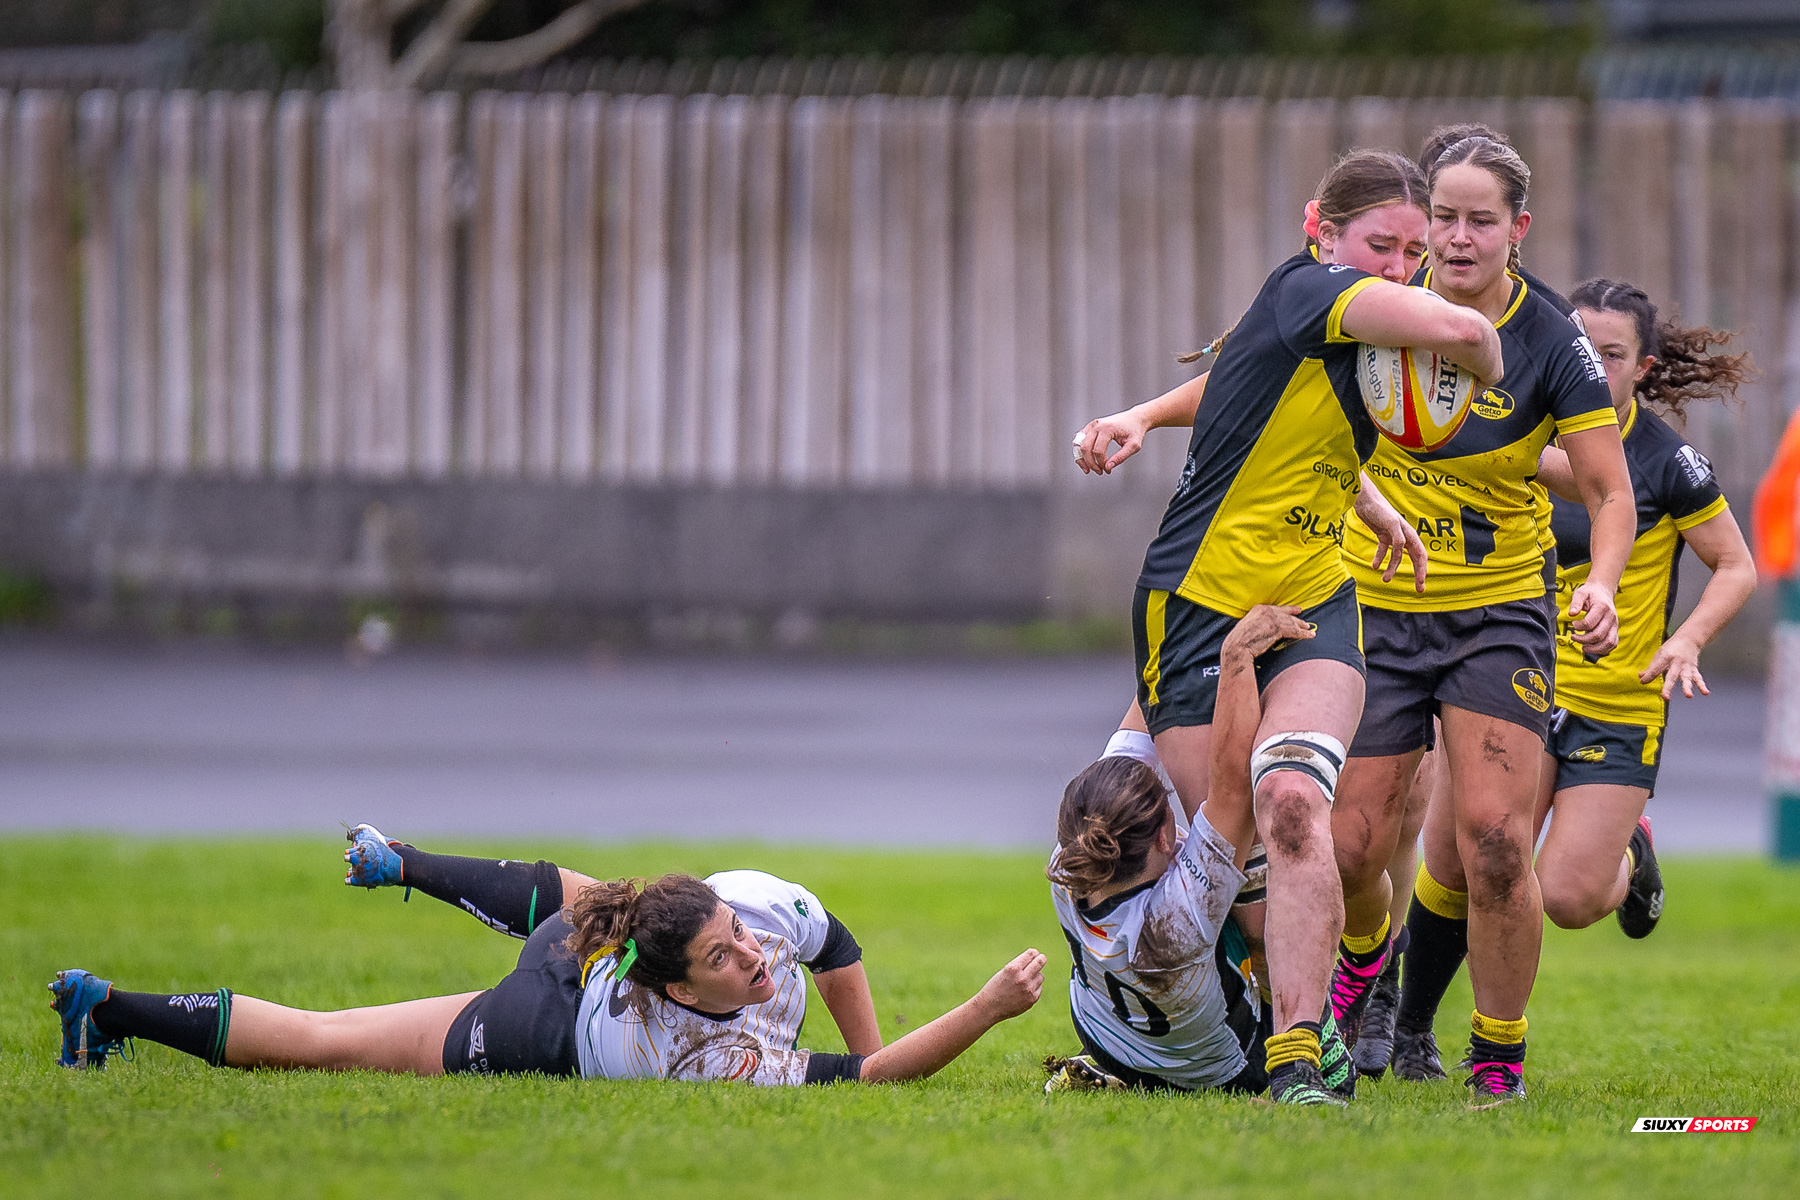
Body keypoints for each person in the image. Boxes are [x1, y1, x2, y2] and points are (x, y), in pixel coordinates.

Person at [1086, 147, 1505, 1104]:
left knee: (1291, 805)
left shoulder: (1333, 322)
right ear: (1321, 227)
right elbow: (1454, 326)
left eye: (1412, 250)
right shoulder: (1319, 289)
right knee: (1232, 853)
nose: (1399, 266)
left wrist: (1369, 504)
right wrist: (1474, 341)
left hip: (1316, 597)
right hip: (1195, 608)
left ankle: (1299, 1060)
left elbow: (1244, 390)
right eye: (1381, 245)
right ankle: (1250, 1022)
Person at [1327, 126, 1636, 1104]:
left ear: (1519, 228)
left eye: (1481, 220)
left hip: (1499, 610)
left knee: (1495, 838)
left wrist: (1599, 584)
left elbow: (1611, 492)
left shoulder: (1552, 340)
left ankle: (1497, 1055)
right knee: (1349, 844)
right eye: (1445, 218)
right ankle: (1365, 963)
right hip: (1374, 602)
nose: (1457, 238)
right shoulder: (1377, 309)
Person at [1395, 281, 1755, 1045]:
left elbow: (1736, 564)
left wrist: (1685, 639)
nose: (1593, 367)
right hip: (1509, 674)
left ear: (1644, 367)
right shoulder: (1513, 426)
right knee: (1468, 857)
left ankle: (1631, 851)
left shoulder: (1666, 461)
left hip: (1615, 701)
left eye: (1613, 356)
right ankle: (1406, 1030)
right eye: (1582, 350)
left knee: (1566, 894)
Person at [48, 827, 1046, 1084]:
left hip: (592, 939)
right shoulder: (708, 1061)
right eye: (725, 958)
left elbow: (840, 944)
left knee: (600, 894)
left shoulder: (752, 904)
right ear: (673, 986)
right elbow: (865, 1075)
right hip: (540, 1022)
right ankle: (111, 1011)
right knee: (328, 1044)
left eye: (738, 938)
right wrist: (986, 1008)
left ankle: (403, 862)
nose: (753, 955)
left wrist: (857, 1030)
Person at [1044, 605, 1356, 1104]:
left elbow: (1153, 701)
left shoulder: (1074, 852)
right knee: (1254, 880)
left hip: (1103, 1037)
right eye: (1172, 812)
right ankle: (1315, 1026)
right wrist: (1233, 658)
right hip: (1222, 1065)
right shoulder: (1178, 919)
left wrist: (1188, 632)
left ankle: (1126, 1071)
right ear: (1165, 840)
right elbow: (1232, 782)